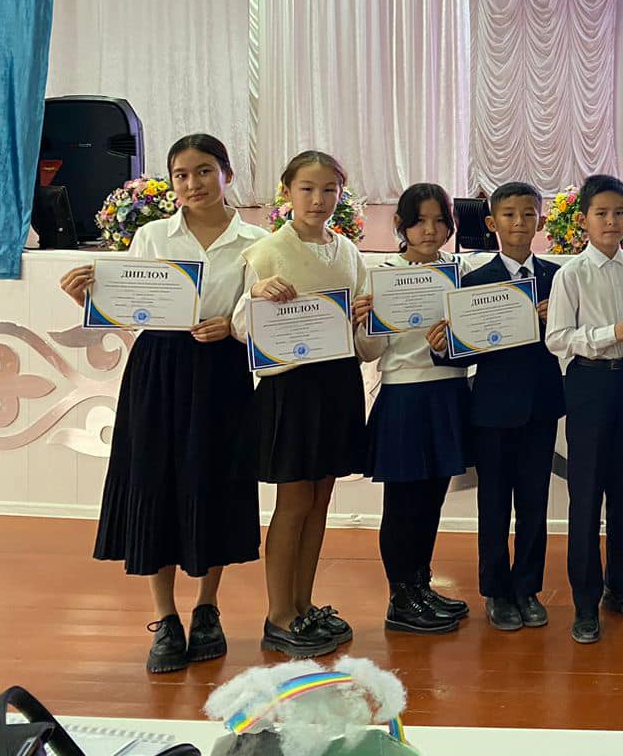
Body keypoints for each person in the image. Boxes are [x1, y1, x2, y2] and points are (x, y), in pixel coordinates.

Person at [59, 133, 266, 674]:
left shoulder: (255, 240)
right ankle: (165, 619)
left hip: (221, 371)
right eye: (181, 174)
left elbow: (257, 312)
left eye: (204, 171)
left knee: (215, 482)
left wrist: (232, 326)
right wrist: (88, 298)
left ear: (228, 175)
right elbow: (130, 309)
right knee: (154, 482)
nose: (193, 184)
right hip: (157, 371)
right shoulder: (151, 235)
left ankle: (207, 609)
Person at [231, 150, 371, 658]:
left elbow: (366, 343)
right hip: (290, 389)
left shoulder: (348, 253)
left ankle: (304, 604)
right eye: (307, 188)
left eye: (329, 189)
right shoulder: (266, 253)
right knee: (293, 502)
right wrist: (257, 296)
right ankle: (278, 614)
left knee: (320, 499)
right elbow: (239, 328)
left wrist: (366, 319)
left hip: (338, 383)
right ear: (287, 191)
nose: (318, 199)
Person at [430, 182, 563, 633]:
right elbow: (463, 353)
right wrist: (443, 346)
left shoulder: (558, 280)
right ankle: (495, 592)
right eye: (509, 215)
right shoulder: (473, 282)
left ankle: (527, 588)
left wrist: (556, 320)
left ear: (541, 221)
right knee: (493, 504)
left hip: (541, 406)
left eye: (528, 214)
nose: (519, 223)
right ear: (491, 223)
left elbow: (574, 339)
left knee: (534, 504)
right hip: (491, 409)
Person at [546, 174, 623, 644]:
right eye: (601, 213)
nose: (611, 221)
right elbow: (557, 338)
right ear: (584, 220)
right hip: (589, 383)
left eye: (619, 212)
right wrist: (608, 333)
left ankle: (622, 587)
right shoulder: (571, 274)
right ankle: (585, 601)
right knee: (587, 494)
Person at [357, 183, 470, 636]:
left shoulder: (459, 273)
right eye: (420, 221)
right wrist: (366, 321)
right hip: (405, 395)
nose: (430, 230)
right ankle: (400, 598)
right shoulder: (382, 276)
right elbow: (368, 352)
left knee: (431, 500)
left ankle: (420, 586)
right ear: (401, 225)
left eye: (440, 220)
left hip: (449, 393)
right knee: (403, 504)